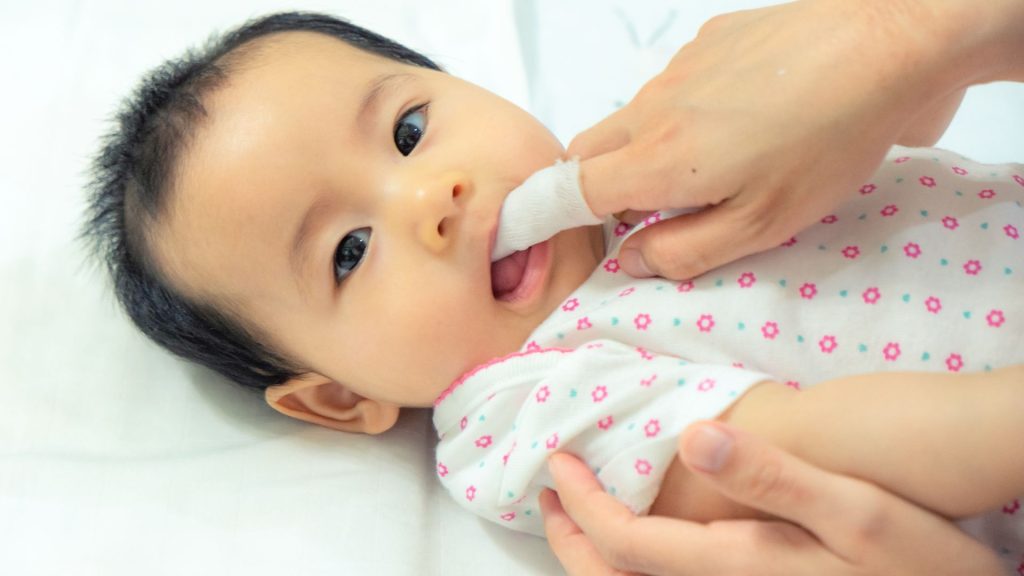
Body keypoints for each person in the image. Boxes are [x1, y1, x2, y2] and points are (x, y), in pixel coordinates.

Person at [80, 9, 1022, 576]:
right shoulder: (523, 413)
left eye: (410, 130)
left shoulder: (654, 155)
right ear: (337, 396)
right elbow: (816, 451)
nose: (432, 198)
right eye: (350, 250)